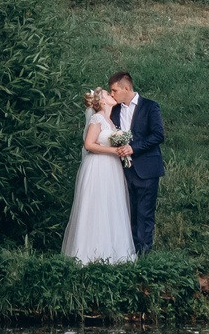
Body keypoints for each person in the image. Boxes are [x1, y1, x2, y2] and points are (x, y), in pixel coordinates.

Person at [61, 88, 136, 264]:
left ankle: (113, 253)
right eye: (107, 94)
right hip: (98, 167)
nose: (111, 95)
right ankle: (89, 253)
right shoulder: (97, 119)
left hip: (112, 168)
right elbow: (88, 144)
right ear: (102, 102)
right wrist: (114, 150)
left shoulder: (110, 121)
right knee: (96, 206)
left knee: (111, 206)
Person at [107, 72, 164, 255]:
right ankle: (129, 251)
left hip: (146, 169)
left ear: (126, 88)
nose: (112, 94)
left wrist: (133, 148)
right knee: (128, 213)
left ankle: (144, 254)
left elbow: (158, 135)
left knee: (145, 213)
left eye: (114, 90)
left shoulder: (149, 107)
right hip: (123, 170)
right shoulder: (114, 110)